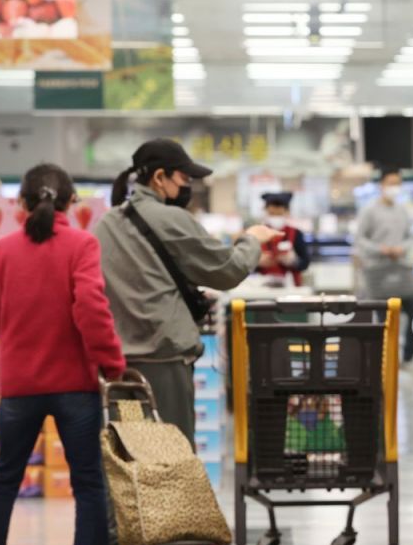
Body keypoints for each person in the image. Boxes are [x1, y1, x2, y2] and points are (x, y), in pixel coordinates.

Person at [0, 164, 126, 545]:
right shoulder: (83, 245)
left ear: (21, 203)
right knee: (88, 482)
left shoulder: (2, 251)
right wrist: (111, 362)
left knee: (4, 479)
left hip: (19, 387)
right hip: (75, 384)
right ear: (71, 202)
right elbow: (91, 307)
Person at [95, 139, 278, 446]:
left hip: (117, 365)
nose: (188, 186)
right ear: (159, 177)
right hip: (164, 360)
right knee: (172, 455)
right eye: (184, 178)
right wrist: (252, 239)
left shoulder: (105, 224)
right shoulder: (171, 218)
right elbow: (229, 270)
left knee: (128, 454)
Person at [354, 168, 413, 371]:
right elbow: (360, 239)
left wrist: (402, 248)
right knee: (383, 320)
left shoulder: (402, 211)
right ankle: (385, 361)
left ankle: (407, 359)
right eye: (391, 183)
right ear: (381, 185)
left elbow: (409, 237)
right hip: (377, 273)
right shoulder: (369, 210)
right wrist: (380, 249)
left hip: (402, 271)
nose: (394, 187)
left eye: (397, 183)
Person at [256, 191, 311, 286]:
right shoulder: (258, 233)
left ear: (286, 212)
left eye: (279, 214)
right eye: (272, 213)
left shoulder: (296, 233)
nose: (275, 217)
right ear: (266, 211)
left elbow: (305, 263)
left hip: (290, 286)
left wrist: (294, 261)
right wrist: (257, 262)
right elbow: (244, 265)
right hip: (262, 285)